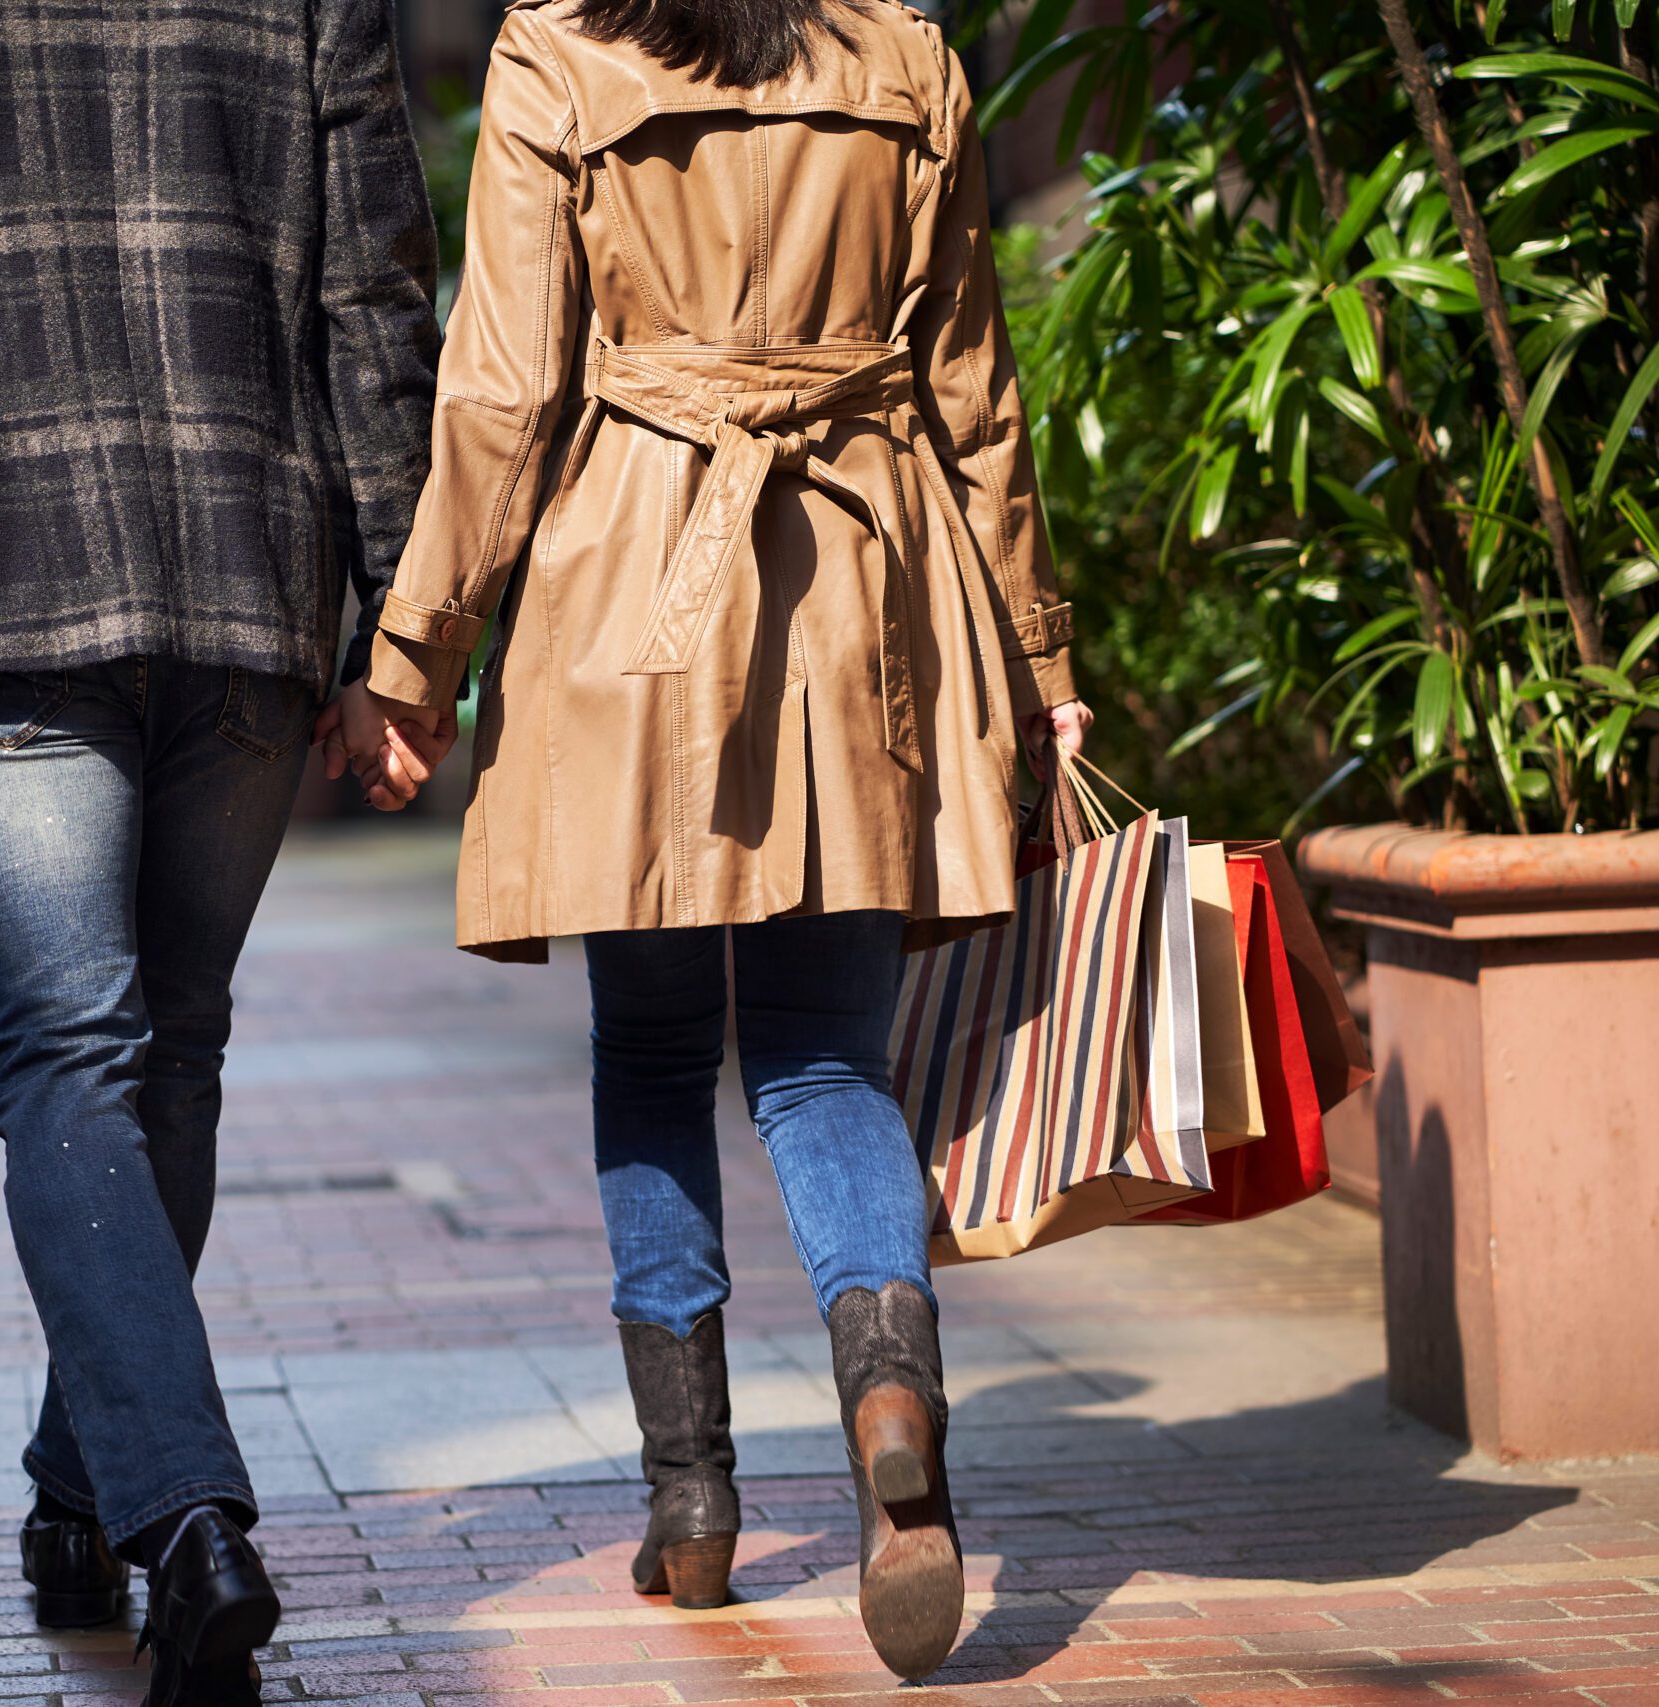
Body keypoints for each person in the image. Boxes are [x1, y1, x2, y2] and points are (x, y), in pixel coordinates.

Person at [335, 0, 1093, 1678]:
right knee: (829, 1063)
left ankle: (691, 1511)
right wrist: (1039, 654)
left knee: (653, 1060)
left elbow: (505, 387)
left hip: (632, 604)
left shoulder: (560, 54)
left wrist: (414, 661)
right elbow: (974, 383)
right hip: (860, 582)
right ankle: (890, 1394)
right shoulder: (906, 58)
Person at [0, 0, 449, 1698]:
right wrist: (402, 629)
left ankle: (182, 1523)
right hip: (249, 572)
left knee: (70, 1067)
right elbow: (375, 307)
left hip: (1, 569)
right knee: (160, 1062)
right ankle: (74, 1497)